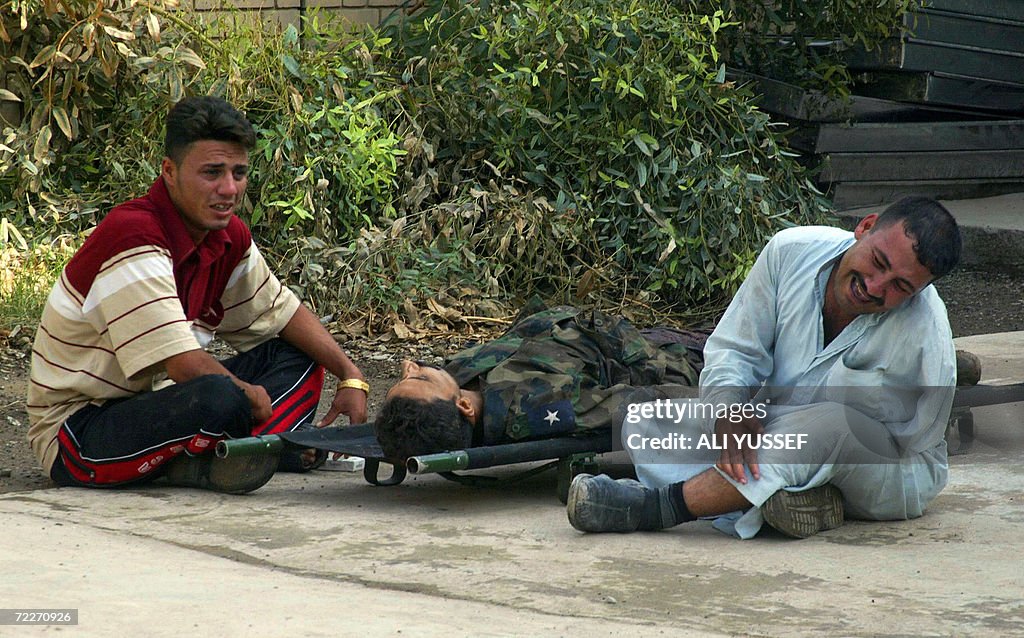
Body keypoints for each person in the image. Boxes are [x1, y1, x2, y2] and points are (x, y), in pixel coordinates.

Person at [27, 96, 369, 494]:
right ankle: (254, 449)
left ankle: (234, 454)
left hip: (164, 403)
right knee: (219, 395)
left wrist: (352, 377)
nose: (229, 189)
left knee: (299, 356)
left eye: (239, 173)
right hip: (79, 434)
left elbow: (283, 314)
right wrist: (246, 395)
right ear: (169, 172)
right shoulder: (133, 233)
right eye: (212, 172)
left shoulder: (226, 235)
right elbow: (183, 365)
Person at [566, 196, 962, 539]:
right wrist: (729, 412)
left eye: (900, 287)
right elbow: (734, 351)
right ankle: (793, 498)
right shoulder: (789, 252)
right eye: (878, 262)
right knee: (648, 422)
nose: (875, 287)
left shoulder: (927, 331)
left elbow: (914, 442)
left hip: (891, 470)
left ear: (919, 292)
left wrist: (813, 445)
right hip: (785, 430)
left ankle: (655, 508)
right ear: (865, 226)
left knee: (831, 425)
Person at [374, 302, 708, 462]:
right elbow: (643, 404)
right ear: (463, 407)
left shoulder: (458, 380)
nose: (410, 365)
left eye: (408, 374)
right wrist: (727, 403)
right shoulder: (535, 409)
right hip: (672, 356)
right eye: (419, 377)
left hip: (615, 331)